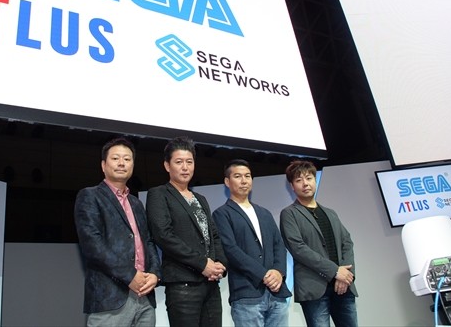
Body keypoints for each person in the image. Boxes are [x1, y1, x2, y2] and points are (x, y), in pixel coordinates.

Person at [74, 137, 161, 327]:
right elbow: (93, 245)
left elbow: (148, 241)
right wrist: (130, 275)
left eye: (127, 159)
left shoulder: (136, 203)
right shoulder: (90, 196)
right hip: (110, 297)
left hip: (145, 297)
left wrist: (155, 273)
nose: (122, 163)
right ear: (103, 165)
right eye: (115, 158)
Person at [146, 136, 227, 327]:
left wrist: (221, 265)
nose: (185, 167)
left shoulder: (200, 198)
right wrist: (202, 264)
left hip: (210, 284)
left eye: (189, 162)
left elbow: (213, 235)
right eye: (179, 162)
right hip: (182, 285)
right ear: (167, 165)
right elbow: (163, 236)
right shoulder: (159, 194)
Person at [212, 159, 291, 327]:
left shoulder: (265, 213)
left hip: (276, 293)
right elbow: (231, 250)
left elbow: (279, 245)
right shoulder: (222, 214)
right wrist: (263, 275)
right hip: (247, 294)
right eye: (238, 176)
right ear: (227, 182)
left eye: (247, 176)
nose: (244, 181)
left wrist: (278, 272)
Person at [280, 160, 358, 327]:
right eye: (299, 180)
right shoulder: (289, 214)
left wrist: (345, 275)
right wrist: (335, 271)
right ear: (292, 186)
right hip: (314, 289)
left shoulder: (330, 213)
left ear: (315, 181)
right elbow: (298, 248)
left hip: (343, 286)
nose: (305, 183)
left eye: (309, 178)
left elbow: (347, 242)